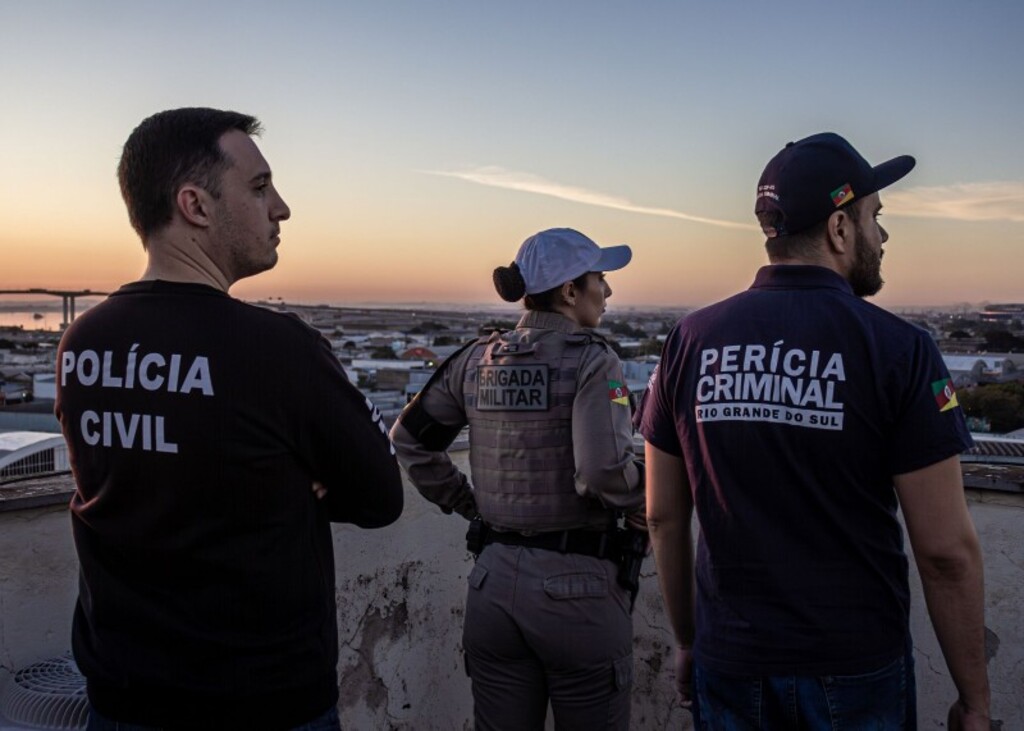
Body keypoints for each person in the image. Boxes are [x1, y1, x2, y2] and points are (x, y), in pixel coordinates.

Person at [55, 107, 404, 731]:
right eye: (260, 187)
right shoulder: (275, 348)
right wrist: (302, 476)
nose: (282, 209)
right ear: (195, 205)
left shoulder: (84, 341)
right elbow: (379, 495)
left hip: (123, 695)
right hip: (263, 703)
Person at [638, 133, 990, 730]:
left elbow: (663, 518)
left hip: (729, 662)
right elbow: (945, 554)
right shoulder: (898, 349)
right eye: (875, 218)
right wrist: (975, 702)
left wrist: (687, 640)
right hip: (854, 669)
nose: (882, 236)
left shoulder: (690, 341)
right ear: (839, 229)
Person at [389, 228, 646, 730]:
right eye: (600, 279)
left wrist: (470, 504)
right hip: (578, 590)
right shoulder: (596, 360)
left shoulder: (478, 359)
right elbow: (602, 474)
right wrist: (647, 492)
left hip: (492, 583)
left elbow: (409, 439)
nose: (608, 292)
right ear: (570, 291)